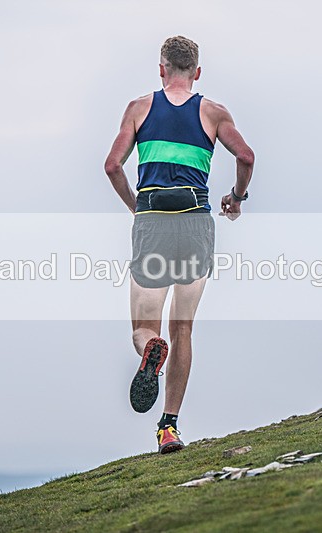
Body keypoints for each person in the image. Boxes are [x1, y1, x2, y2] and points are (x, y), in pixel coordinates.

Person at [104, 35, 254, 454]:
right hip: (195, 221)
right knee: (183, 327)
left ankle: (150, 351)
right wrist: (236, 198)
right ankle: (168, 428)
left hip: (153, 218)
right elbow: (246, 157)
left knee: (144, 328)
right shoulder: (213, 112)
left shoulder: (139, 108)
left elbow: (112, 165)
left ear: (161, 69)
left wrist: (137, 207)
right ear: (197, 72)